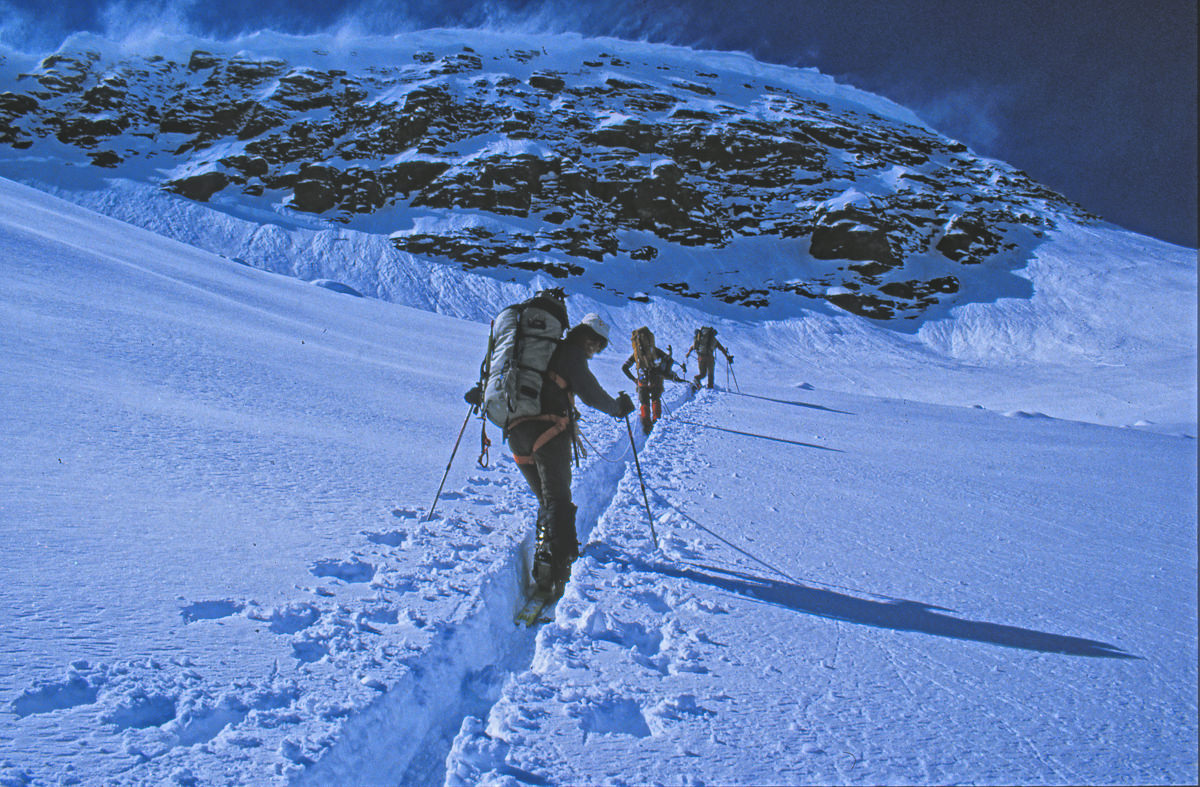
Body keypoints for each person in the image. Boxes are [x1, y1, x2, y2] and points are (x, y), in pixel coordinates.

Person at [506, 313, 634, 594]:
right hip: (548, 432)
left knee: (548, 501)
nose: (596, 352)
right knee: (558, 502)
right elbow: (591, 394)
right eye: (598, 347)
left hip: (515, 432)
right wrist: (618, 408)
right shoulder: (571, 354)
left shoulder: (542, 351)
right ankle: (560, 571)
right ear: (590, 339)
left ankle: (545, 565)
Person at [621, 326, 684, 434]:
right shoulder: (656, 351)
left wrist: (634, 380)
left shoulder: (636, 354)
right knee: (656, 399)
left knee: (644, 402)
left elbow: (624, 368)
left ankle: (646, 426)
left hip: (642, 381)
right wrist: (665, 373)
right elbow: (669, 360)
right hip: (656, 380)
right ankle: (656, 422)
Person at [685, 325, 733, 390]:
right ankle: (710, 387)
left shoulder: (700, 338)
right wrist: (727, 357)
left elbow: (693, 347)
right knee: (710, 374)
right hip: (710, 358)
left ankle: (697, 379)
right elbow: (721, 349)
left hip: (700, 357)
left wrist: (688, 353)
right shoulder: (714, 340)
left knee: (703, 374)